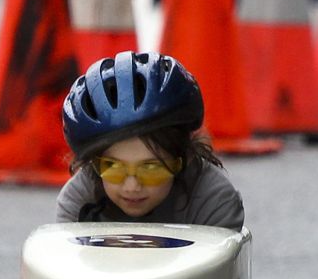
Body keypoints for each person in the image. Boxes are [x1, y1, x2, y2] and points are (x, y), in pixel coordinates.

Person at [56, 51, 244, 229]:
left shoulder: (213, 202)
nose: (132, 187)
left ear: (183, 157)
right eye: (113, 167)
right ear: (93, 164)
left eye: (151, 168)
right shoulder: (79, 203)